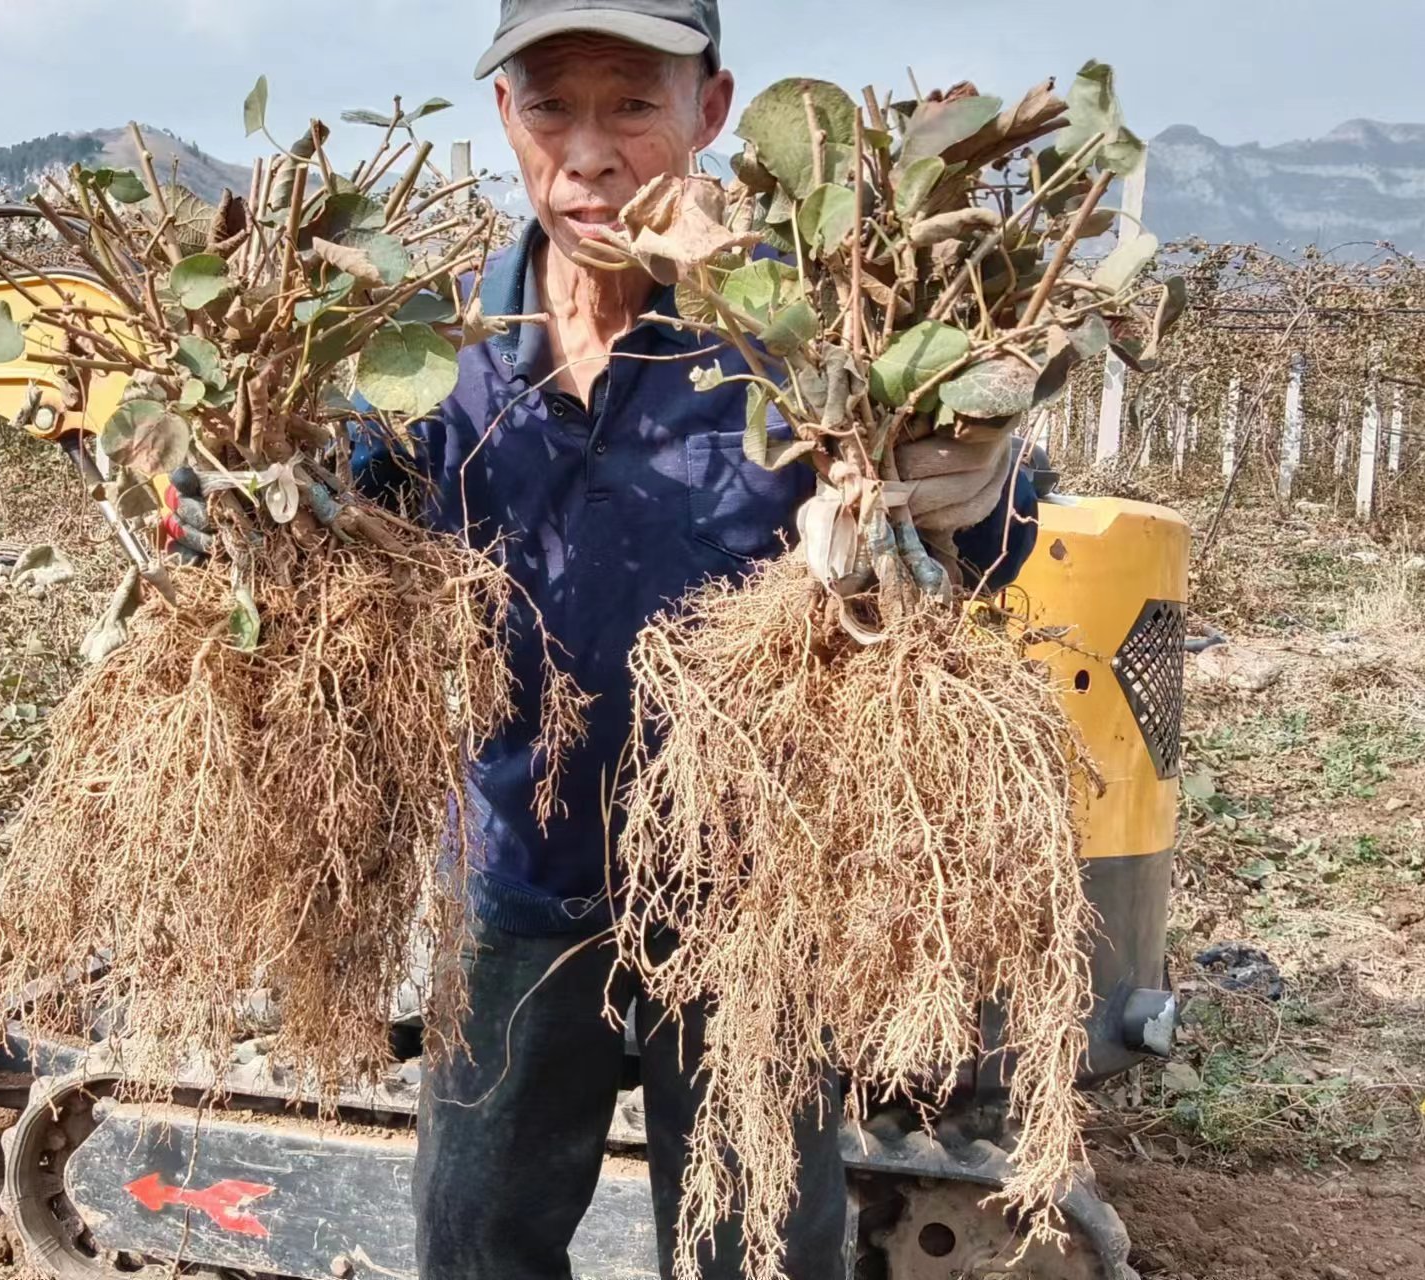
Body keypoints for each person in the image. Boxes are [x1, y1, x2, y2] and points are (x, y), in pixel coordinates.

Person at [226, 4, 1034, 1276]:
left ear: (710, 111)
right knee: (475, 1240)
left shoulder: (805, 334)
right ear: (506, 117)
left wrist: (966, 491)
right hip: (515, 871)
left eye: (632, 105)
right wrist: (232, 496)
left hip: (747, 887)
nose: (588, 153)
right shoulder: (433, 350)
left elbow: (988, 543)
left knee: (753, 1248)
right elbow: (330, 525)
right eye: (551, 106)